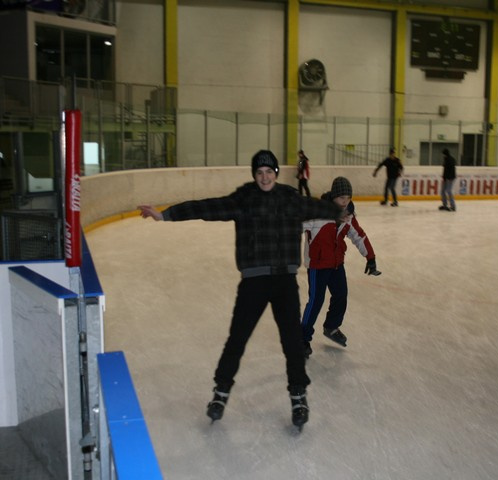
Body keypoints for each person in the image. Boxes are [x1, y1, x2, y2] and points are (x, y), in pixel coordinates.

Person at [138, 150, 344, 429]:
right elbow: (207, 208)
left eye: (269, 172)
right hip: (253, 282)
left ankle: (298, 396)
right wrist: (165, 215)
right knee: (237, 339)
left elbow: (319, 208)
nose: (264, 177)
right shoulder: (244, 200)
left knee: (293, 343)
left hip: (284, 282)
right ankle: (220, 392)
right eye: (259, 172)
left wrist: (338, 211)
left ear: (275, 173)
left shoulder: (290, 199)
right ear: (254, 175)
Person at [300, 177, 381, 359]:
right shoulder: (318, 214)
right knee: (316, 301)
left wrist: (370, 257)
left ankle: (331, 326)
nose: (345, 201)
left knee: (341, 295)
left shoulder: (348, 216)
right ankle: (302, 338)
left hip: (336, 264)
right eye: (341, 198)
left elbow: (358, 235)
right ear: (333, 197)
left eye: (348, 198)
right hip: (318, 265)